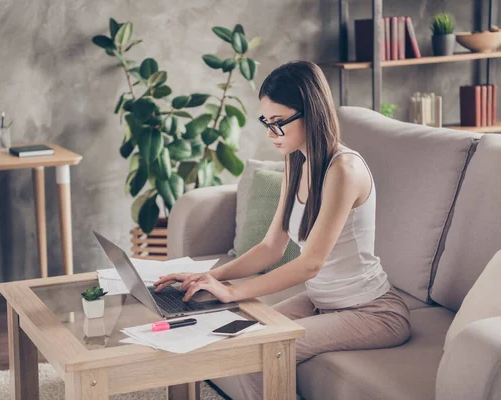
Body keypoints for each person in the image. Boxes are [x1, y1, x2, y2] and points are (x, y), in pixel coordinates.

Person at [153, 60, 411, 399]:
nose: (270, 133)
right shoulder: (296, 161)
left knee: (259, 351)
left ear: (311, 113)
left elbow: (311, 263)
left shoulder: (344, 170)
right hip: (323, 302)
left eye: (278, 123)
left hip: (373, 313)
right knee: (233, 339)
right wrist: (212, 276)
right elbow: (271, 247)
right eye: (267, 122)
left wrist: (233, 292)